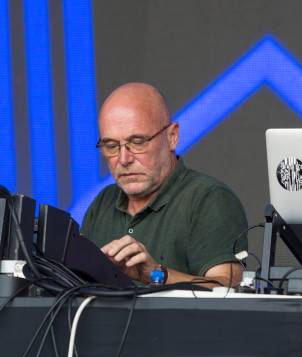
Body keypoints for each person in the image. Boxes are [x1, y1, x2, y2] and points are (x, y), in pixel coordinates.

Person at [81, 82, 247, 287]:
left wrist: (154, 274)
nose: (124, 159)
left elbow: (227, 288)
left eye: (138, 142)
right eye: (111, 146)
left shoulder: (209, 199)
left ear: (172, 137)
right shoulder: (103, 202)